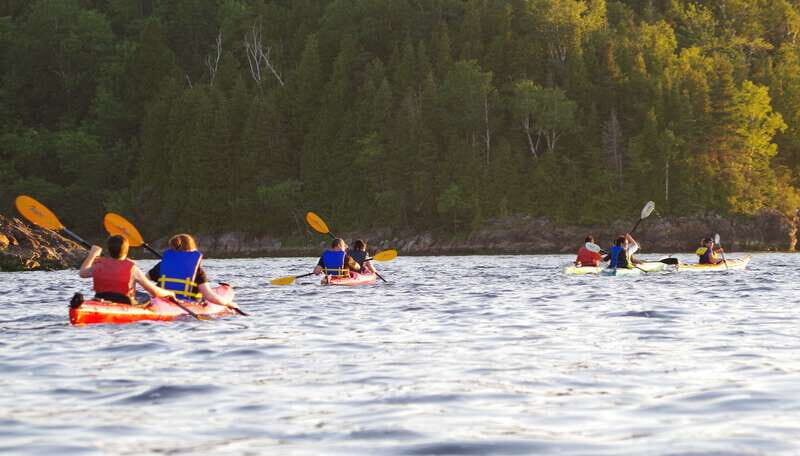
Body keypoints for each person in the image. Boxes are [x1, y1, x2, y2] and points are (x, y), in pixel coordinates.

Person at [79, 234, 174, 305]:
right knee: (146, 297)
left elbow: (82, 273)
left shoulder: (99, 265)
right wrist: (169, 293)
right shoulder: (132, 268)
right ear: (127, 251)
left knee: (139, 294)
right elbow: (155, 292)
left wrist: (93, 253)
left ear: (108, 250)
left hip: (101, 298)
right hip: (125, 302)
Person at [147, 234, 233, 306]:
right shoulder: (197, 270)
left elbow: (145, 279)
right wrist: (228, 304)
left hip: (160, 302)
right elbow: (209, 296)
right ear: (192, 247)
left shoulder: (161, 265)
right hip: (186, 305)